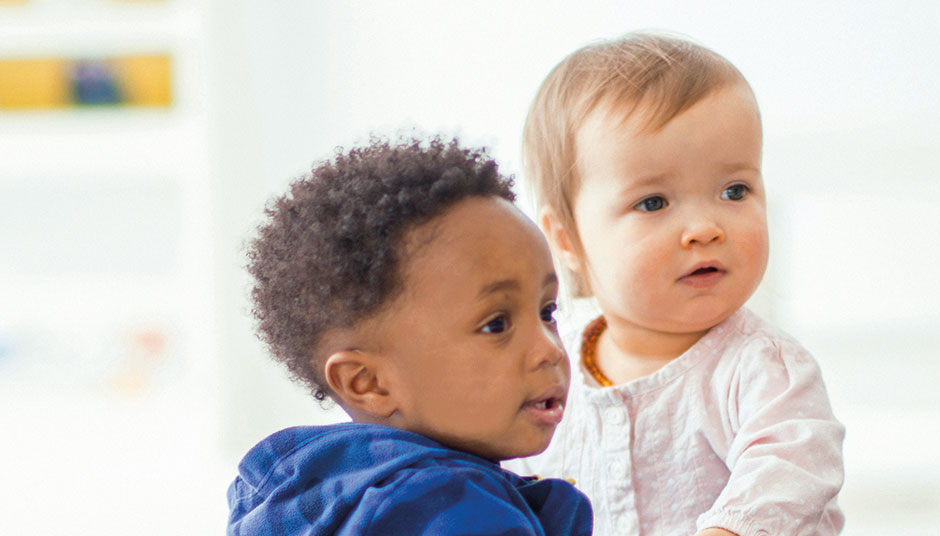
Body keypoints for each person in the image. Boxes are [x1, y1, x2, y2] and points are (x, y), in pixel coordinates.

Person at [502, 32, 845, 536]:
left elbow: (790, 474)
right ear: (566, 238)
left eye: (735, 190)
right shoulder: (547, 368)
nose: (706, 227)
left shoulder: (763, 369)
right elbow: (508, 472)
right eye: (654, 202)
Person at [226, 136, 593, 535]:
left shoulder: (306, 497)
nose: (550, 350)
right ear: (368, 382)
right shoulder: (463, 512)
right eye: (496, 325)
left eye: (547, 312)